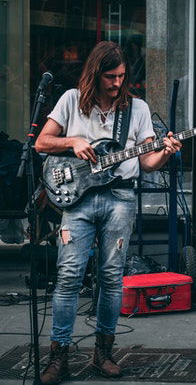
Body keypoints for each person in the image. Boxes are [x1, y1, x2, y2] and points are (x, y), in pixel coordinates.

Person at [34, 41, 182, 384]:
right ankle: (59, 355)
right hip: (78, 199)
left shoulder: (138, 108)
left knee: (112, 277)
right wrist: (72, 142)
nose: (117, 83)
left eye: (122, 76)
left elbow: (147, 163)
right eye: (111, 77)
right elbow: (42, 142)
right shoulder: (71, 100)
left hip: (120, 198)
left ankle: (104, 352)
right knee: (69, 274)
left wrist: (166, 152)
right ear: (95, 74)